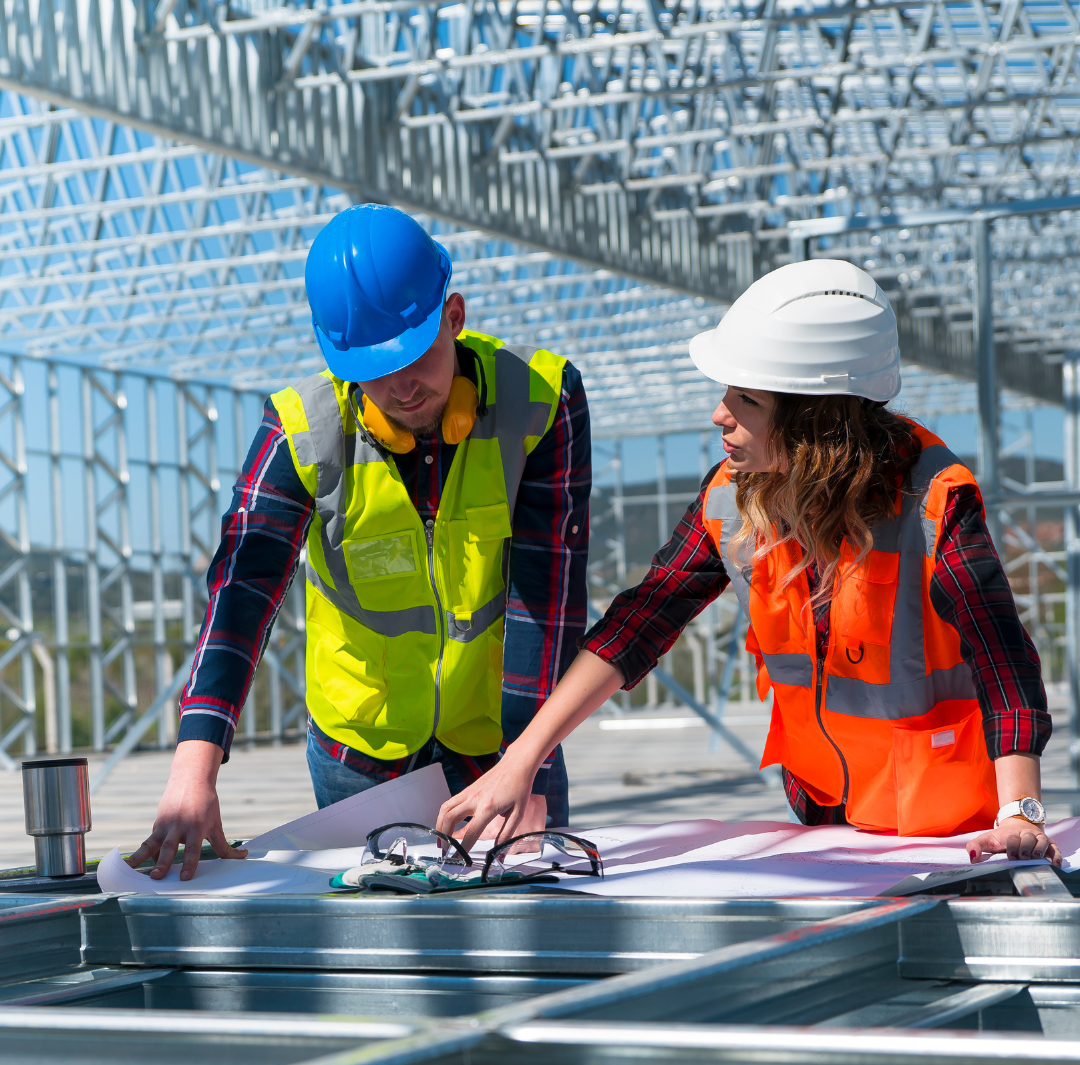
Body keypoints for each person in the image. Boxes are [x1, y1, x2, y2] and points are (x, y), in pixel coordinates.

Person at [438, 259, 1061, 867]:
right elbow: (640, 622)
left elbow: (1000, 653)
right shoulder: (730, 499)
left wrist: (1022, 811)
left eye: (746, 400)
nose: (719, 415)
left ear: (814, 420)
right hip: (829, 823)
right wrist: (517, 763)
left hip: (952, 835)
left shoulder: (933, 501)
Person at [130, 204, 591, 880]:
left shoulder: (540, 402)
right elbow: (242, 592)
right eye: (374, 369)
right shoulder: (301, 433)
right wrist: (193, 767)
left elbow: (546, 602)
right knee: (385, 957)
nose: (402, 387)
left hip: (498, 739)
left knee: (526, 931)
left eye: (417, 356)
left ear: (454, 316)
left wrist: (531, 764)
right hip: (359, 755)